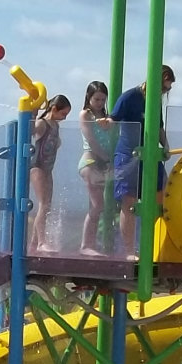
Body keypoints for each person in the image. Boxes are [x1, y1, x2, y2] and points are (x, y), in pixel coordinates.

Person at [111, 64, 174, 256]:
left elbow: (159, 127)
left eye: (167, 90)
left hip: (150, 155)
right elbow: (113, 119)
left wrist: (166, 145)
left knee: (160, 198)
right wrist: (105, 123)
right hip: (129, 155)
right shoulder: (130, 97)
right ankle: (129, 250)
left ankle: (152, 246)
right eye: (164, 87)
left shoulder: (155, 102)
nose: (165, 92)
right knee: (129, 202)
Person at [27, 93, 71, 254]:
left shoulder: (56, 126)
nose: (64, 118)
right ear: (54, 109)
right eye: (63, 114)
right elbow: (30, 131)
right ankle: (41, 242)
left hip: (48, 169)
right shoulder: (43, 123)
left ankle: (34, 243)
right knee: (43, 204)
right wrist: (33, 112)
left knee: (48, 205)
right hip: (37, 167)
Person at [75, 82, 114, 255]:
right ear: (88, 98)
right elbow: (91, 139)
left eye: (103, 100)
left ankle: (91, 244)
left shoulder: (106, 116)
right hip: (90, 161)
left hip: (101, 163)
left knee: (97, 205)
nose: (99, 103)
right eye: (96, 99)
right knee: (98, 204)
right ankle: (86, 246)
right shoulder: (86, 114)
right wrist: (106, 158)